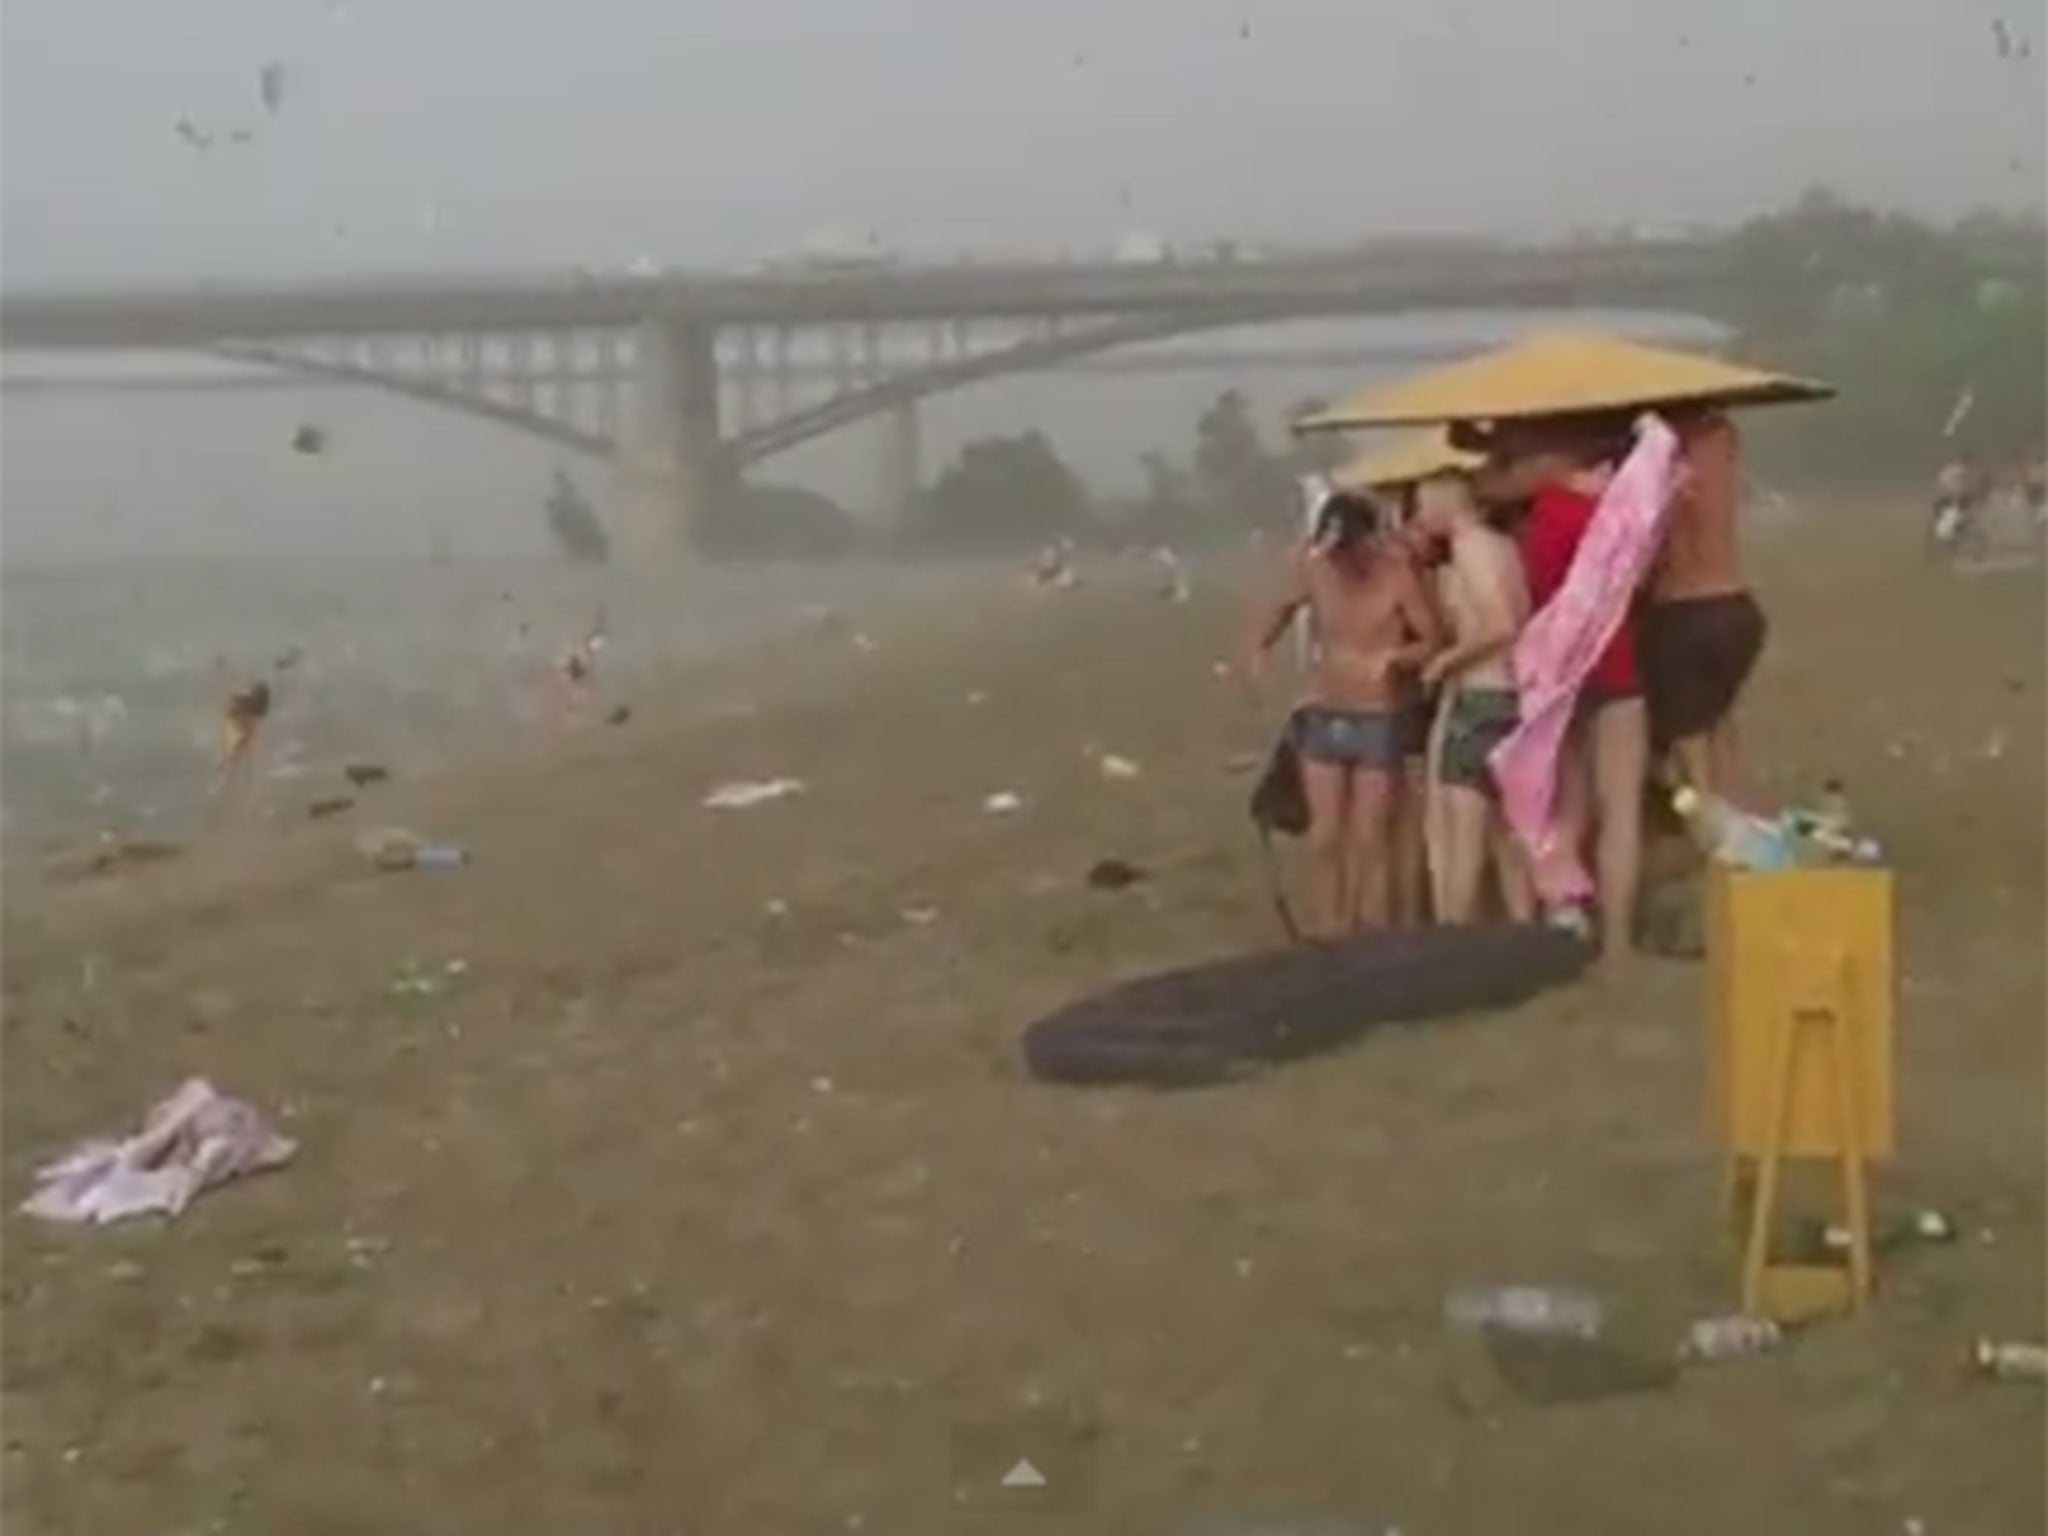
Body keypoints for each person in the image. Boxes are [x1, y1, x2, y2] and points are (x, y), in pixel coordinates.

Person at [1241, 492, 1446, 938]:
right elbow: (1276, 611)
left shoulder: (1397, 577)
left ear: (1370, 540)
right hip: (1325, 708)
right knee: (1326, 834)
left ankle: (1356, 923)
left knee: (1367, 834)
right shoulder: (1315, 570)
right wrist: (1258, 651)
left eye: (1352, 549)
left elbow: (1431, 640)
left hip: (1378, 714)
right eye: (1336, 550)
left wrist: (1395, 657)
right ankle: (1327, 922)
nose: (1344, 561)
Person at [1484, 417, 1649, 962]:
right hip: (1619, 663)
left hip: (1563, 674)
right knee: (1620, 807)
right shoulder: (1614, 511)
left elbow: (1536, 596)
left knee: (1568, 802)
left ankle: (1565, 910)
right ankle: (1619, 940)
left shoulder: (1546, 518)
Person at [1405, 470, 1536, 924]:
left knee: (1462, 834)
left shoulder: (1470, 549)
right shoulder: (1504, 547)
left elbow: (1501, 624)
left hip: (1481, 698)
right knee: (1508, 831)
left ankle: (1454, 940)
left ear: (1445, 506)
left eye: (1423, 507)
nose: (1419, 518)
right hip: (1515, 697)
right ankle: (1525, 935)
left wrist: (1448, 662)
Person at [1638, 410, 1768, 800]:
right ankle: (1739, 814)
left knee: (1685, 734)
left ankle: (1708, 823)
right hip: (1737, 607)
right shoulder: (1720, 436)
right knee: (1719, 720)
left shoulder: (1654, 456)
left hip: (1683, 610)